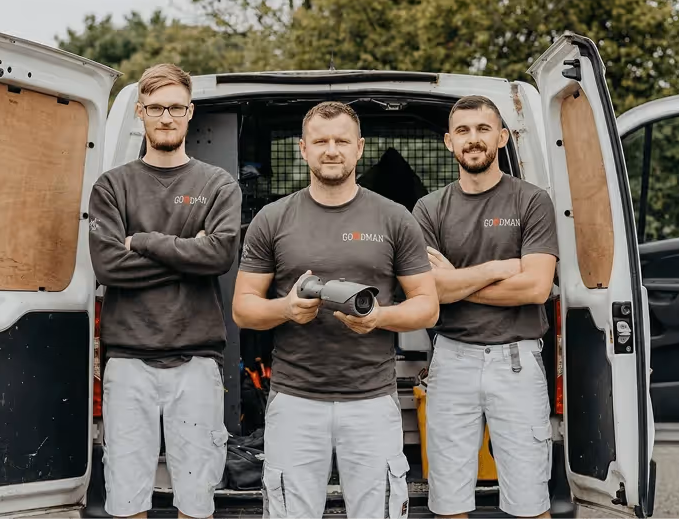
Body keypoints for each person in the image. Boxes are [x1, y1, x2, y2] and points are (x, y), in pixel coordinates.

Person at [232, 101, 439, 519]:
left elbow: (427, 307)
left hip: (371, 400)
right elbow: (243, 309)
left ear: (360, 148)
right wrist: (287, 308)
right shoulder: (272, 220)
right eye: (320, 141)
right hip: (294, 399)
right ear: (302, 149)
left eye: (342, 141)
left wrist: (379, 317)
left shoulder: (394, 217)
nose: (331, 150)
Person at [88, 63, 242, 519]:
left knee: (197, 499)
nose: (167, 117)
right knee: (126, 496)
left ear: (190, 111)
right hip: (128, 361)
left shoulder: (216, 184)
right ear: (141, 113)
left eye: (176, 107)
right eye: (156, 108)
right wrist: (187, 256)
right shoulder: (112, 186)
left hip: (196, 361)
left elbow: (218, 257)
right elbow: (108, 265)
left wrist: (147, 242)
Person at [412, 96, 559, 519]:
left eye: (482, 129)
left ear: (502, 136)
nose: (473, 140)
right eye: (462, 131)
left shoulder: (531, 202)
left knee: (530, 500)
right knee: (448, 501)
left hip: (516, 362)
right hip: (451, 360)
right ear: (448, 141)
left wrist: (455, 280)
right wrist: (496, 269)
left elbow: (534, 287)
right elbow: (427, 289)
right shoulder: (429, 208)